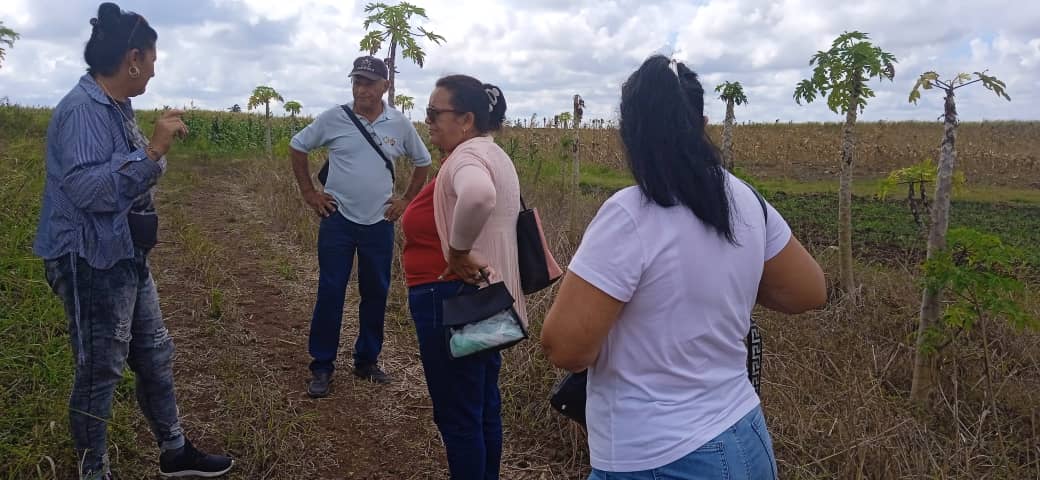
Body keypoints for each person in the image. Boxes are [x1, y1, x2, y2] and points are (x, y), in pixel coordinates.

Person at [540, 55, 827, 480]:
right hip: (745, 434)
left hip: (659, 456)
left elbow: (564, 348)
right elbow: (809, 290)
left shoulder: (629, 214)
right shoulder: (744, 200)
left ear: (629, 133)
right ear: (703, 122)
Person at [33, 3, 234, 479]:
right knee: (100, 370)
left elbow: (141, 175)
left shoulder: (117, 106)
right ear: (133, 59)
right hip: (91, 259)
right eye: (153, 58)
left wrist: (151, 155)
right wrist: (155, 150)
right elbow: (89, 191)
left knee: (154, 351)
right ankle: (93, 471)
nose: (155, 68)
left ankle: (174, 450)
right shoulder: (83, 110)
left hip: (124, 252)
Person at [399, 74, 523, 479]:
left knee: (458, 416)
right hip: (481, 298)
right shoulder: (493, 154)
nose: (429, 120)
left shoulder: (467, 158)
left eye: (436, 113)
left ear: (466, 119)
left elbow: (479, 196)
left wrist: (456, 250)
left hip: (451, 300)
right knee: (482, 405)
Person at [290, 55, 432, 397]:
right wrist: (310, 193)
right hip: (337, 219)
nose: (362, 89)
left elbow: (423, 161)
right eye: (357, 81)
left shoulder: (399, 124)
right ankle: (322, 366)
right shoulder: (335, 118)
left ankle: (366, 360)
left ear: (386, 86)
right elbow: (298, 146)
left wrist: (404, 202)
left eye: (369, 82)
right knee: (330, 291)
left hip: (379, 223)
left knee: (375, 292)